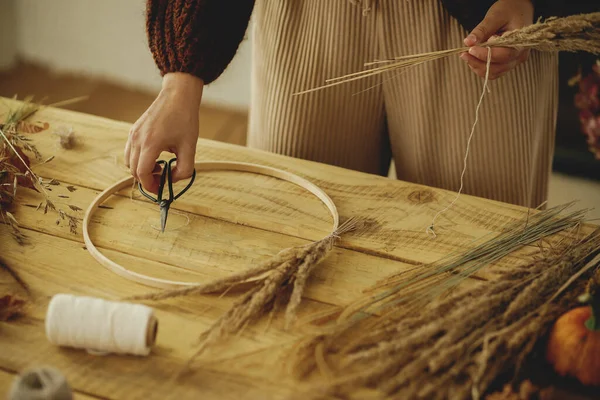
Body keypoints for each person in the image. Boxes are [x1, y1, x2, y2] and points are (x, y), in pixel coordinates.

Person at [125, 0, 574, 207]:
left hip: (484, 21)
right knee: (290, 246)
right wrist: (181, 75)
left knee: (483, 272)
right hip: (310, 19)